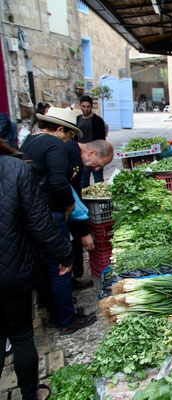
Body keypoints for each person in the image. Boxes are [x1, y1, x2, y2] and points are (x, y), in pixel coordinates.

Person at [0, 138, 74, 400]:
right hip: (11, 271)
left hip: (11, 268)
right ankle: (30, 395)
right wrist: (64, 253)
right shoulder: (14, 167)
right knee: (20, 337)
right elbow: (39, 221)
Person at [20, 107, 96, 335]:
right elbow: (58, 182)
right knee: (63, 265)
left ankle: (56, 315)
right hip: (50, 214)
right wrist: (70, 206)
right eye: (69, 134)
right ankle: (67, 319)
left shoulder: (29, 142)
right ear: (60, 129)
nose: (69, 140)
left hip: (32, 214)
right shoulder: (54, 145)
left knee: (47, 267)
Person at [66, 139, 113, 290]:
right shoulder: (72, 154)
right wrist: (84, 231)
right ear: (91, 153)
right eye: (99, 164)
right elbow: (71, 194)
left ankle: (72, 280)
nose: (97, 169)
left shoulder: (72, 150)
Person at [76, 95, 109, 188]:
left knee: (99, 181)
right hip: (82, 155)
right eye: (84, 106)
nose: (86, 109)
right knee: (83, 181)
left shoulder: (97, 120)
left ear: (91, 106)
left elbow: (102, 139)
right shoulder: (77, 119)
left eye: (88, 106)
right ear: (80, 106)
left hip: (96, 154)